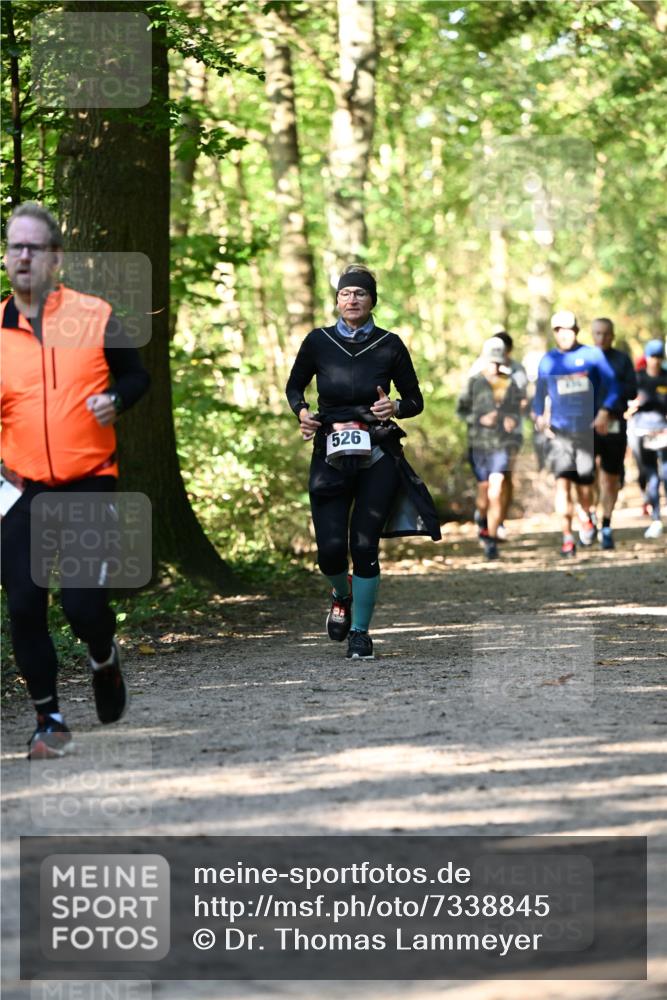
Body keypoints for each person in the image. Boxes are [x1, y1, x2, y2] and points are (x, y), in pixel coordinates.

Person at [1, 202, 150, 759]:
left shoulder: (95, 314)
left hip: (88, 480)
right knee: (24, 604)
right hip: (20, 488)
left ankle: (103, 658)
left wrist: (116, 399)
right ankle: (49, 720)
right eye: (14, 246)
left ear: (55, 257)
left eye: (33, 247)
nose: (21, 256)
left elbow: (138, 376)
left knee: (84, 606)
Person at [285, 264, 439, 660]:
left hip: (377, 452)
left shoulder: (389, 344)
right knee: (331, 552)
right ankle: (341, 593)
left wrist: (396, 407)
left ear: (372, 301)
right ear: (337, 300)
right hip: (330, 451)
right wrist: (302, 411)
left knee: (364, 544)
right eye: (345, 294)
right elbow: (294, 385)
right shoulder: (318, 342)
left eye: (360, 294)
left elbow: (415, 400)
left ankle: (360, 633)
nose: (351, 300)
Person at [531, 310, 619, 557]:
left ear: (577, 331)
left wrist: (604, 410)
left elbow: (613, 386)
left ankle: (587, 514)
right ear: (554, 333)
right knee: (562, 485)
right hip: (559, 433)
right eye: (558, 330)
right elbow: (539, 395)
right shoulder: (547, 361)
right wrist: (538, 415)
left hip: (586, 432)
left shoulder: (592, 355)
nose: (564, 334)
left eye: (568, 329)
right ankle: (567, 537)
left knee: (585, 486)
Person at [457, 336, 523, 560]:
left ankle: (492, 539)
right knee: (484, 492)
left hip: (501, 444)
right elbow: (461, 411)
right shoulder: (474, 382)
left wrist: (511, 420)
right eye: (491, 361)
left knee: (497, 487)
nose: (494, 366)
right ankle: (482, 520)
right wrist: (480, 418)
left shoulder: (509, 382)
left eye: (498, 361)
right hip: (479, 445)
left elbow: (516, 409)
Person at [590, 317, 637, 549]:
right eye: (597, 333)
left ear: (613, 335)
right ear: (591, 335)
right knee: (586, 477)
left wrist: (609, 408)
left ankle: (606, 524)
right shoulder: (584, 360)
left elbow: (632, 390)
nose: (601, 338)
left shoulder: (622, 360)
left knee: (610, 478)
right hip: (586, 428)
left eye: (606, 334)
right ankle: (588, 515)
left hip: (615, 425)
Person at [628, 339, 667, 539]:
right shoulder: (637, 379)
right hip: (642, 431)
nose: (656, 361)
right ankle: (656, 518)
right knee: (651, 476)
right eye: (653, 357)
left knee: (666, 474)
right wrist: (633, 405)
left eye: (659, 357)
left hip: (664, 431)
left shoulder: (666, 377)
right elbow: (627, 405)